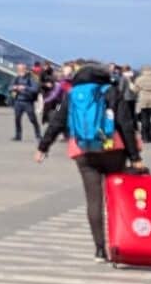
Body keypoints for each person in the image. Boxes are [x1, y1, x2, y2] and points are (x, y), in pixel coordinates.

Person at [37, 61, 142, 261]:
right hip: (113, 149)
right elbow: (125, 124)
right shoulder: (110, 91)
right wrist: (135, 157)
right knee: (116, 197)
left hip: (82, 150)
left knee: (93, 200)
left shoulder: (73, 94)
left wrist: (43, 147)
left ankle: (99, 249)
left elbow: (57, 121)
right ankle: (118, 242)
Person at [10, 66, 38, 142]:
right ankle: (18, 136)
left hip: (28, 102)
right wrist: (14, 87)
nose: (20, 71)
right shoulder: (16, 78)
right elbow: (10, 87)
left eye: (22, 69)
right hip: (18, 101)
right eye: (18, 70)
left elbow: (35, 89)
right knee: (17, 119)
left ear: (25, 70)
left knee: (32, 119)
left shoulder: (31, 78)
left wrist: (25, 87)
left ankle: (38, 135)